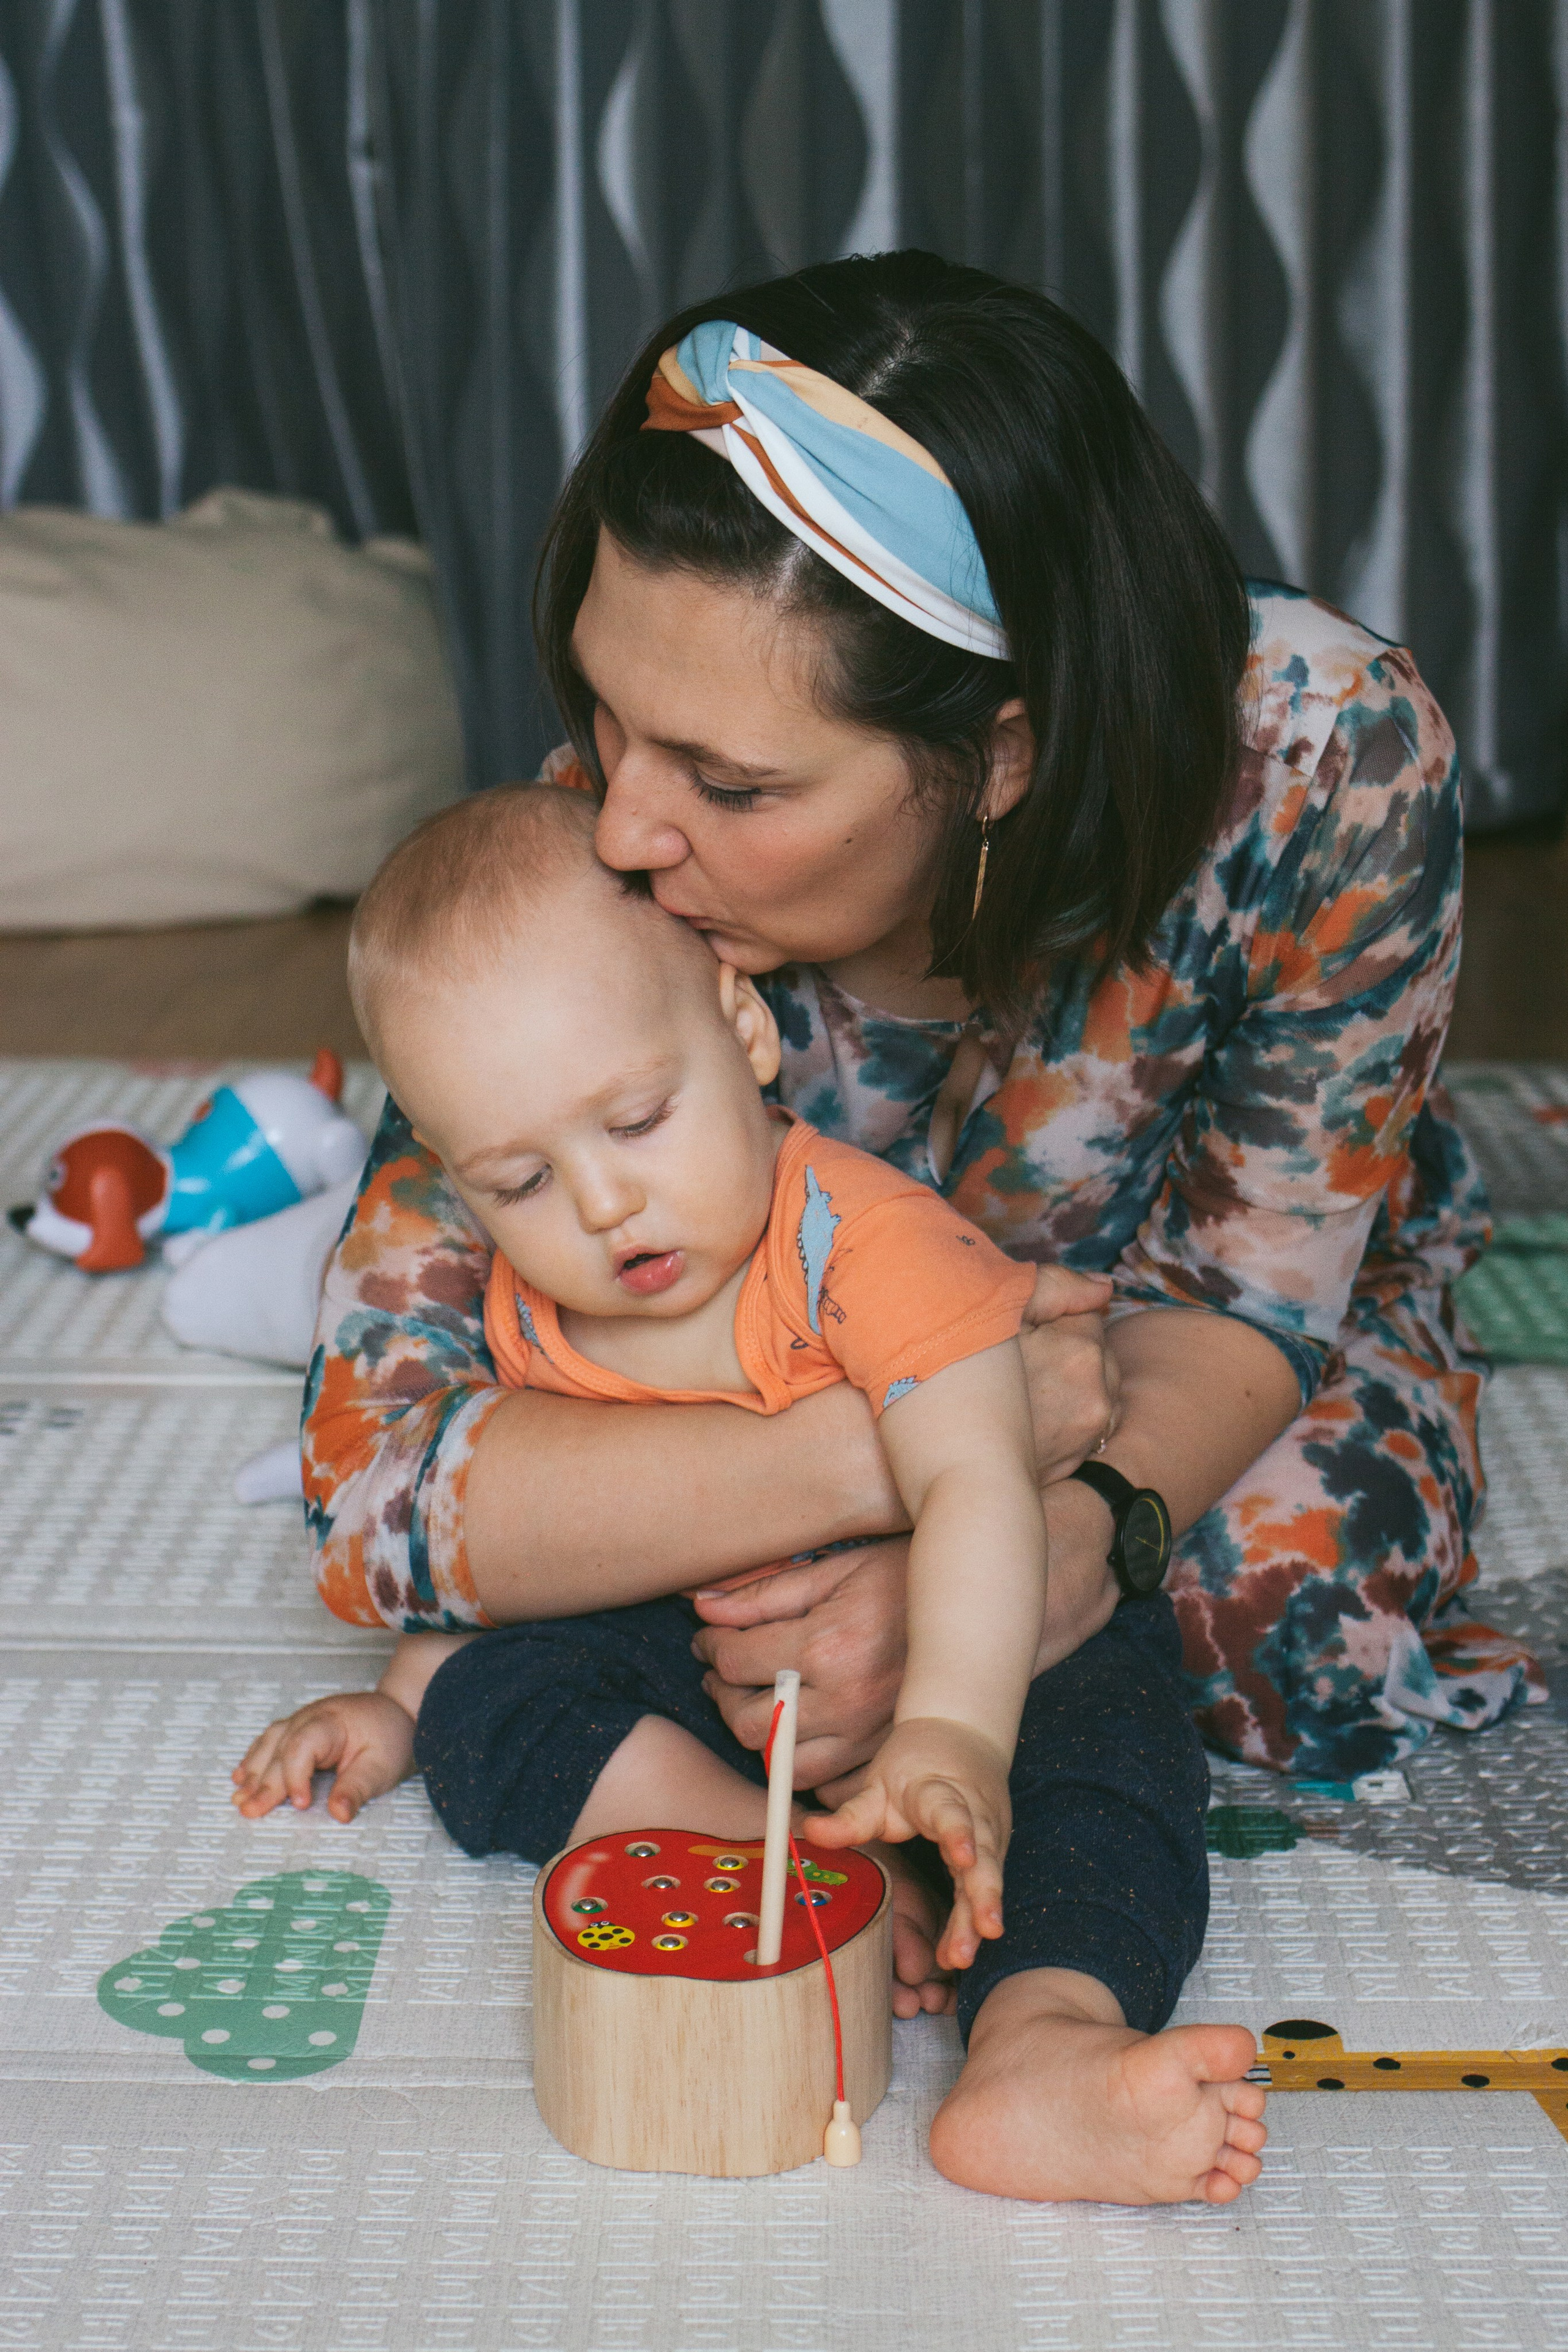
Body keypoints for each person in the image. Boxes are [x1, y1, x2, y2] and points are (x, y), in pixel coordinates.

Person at [295, 251, 1519, 2201]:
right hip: (823, 1393)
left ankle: (1045, 2020)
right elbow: (380, 1482)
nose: (623, 825)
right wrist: (889, 1467)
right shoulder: (607, 867)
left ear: (1003, 758)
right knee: (512, 1642)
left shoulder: (1319, 760)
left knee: (1286, 1600)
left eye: (732, 778)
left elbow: (1246, 1295)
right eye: (605, 719)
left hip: (1125, 1370)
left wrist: (1043, 1555)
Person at [238, 781, 1262, 2204]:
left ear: (739, 1030)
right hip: (705, 1655)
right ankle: (763, 1858)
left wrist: (952, 1736)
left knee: (1104, 1750)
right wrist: (402, 1703)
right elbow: (523, 1560)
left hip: (946, 1625)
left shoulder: (864, 1241)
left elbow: (977, 1483)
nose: (602, 1207)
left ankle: (1041, 2037)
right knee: (496, 1697)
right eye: (524, 1178)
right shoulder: (535, 1302)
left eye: (639, 1120)